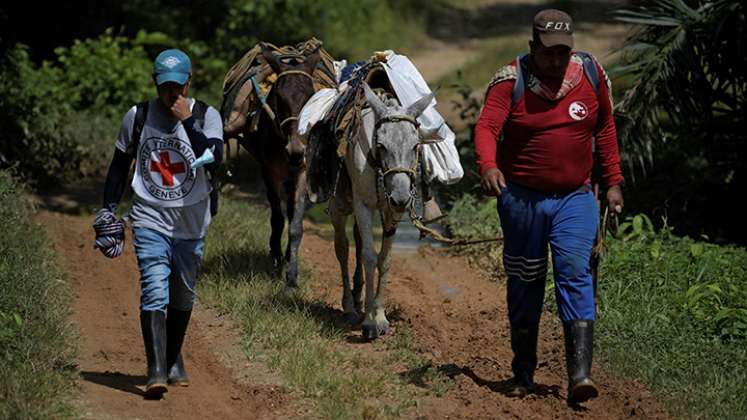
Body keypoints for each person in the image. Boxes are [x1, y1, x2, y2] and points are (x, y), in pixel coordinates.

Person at [473, 9, 624, 404]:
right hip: (522, 200)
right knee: (526, 282)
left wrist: (613, 183)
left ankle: (580, 376)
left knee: (575, 270)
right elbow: (487, 127)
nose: (557, 62)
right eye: (548, 54)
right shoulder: (512, 81)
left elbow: (605, 127)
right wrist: (489, 166)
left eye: (563, 53)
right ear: (531, 48)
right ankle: (523, 372)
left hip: (575, 198)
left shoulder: (589, 75)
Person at [94, 48, 224, 398]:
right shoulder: (137, 116)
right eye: (166, 87)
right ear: (155, 83)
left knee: (183, 294)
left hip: (192, 221)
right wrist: (108, 207)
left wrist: (186, 121)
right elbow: (119, 165)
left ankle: (169, 359)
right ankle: (155, 371)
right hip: (149, 216)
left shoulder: (207, 116)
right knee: (154, 286)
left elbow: (214, 159)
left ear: (189, 82)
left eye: (178, 87)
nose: (172, 94)